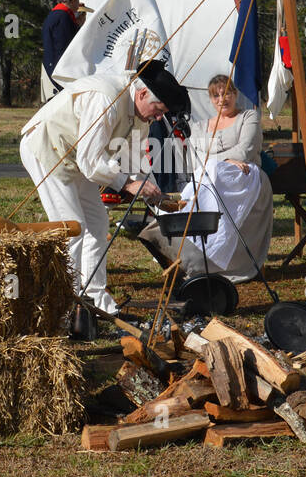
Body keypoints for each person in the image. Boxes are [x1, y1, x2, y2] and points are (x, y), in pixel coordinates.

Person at [20, 60, 189, 315]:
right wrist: (128, 184)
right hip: (48, 147)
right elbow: (91, 163)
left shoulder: (140, 113)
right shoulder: (106, 99)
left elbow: (133, 159)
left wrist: (150, 190)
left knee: (97, 225)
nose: (158, 117)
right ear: (143, 93)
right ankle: (65, 304)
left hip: (77, 157)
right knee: (72, 227)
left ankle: (94, 297)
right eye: (159, 109)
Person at [137, 74, 273, 283]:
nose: (222, 99)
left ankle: (211, 256)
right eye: (216, 95)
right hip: (210, 178)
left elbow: (246, 150)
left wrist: (224, 161)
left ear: (235, 94)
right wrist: (223, 160)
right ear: (210, 99)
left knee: (214, 170)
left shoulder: (248, 117)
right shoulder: (200, 127)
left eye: (226, 93)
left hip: (246, 176)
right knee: (210, 172)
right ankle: (182, 246)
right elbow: (195, 161)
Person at [41, 0, 87, 102]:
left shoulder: (57, 15)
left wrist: (77, 25)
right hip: (58, 67)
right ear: (71, 1)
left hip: (53, 64)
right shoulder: (63, 17)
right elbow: (65, 46)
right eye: (77, 0)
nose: (78, 4)